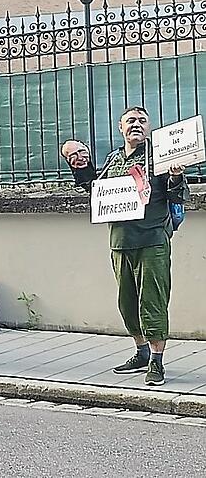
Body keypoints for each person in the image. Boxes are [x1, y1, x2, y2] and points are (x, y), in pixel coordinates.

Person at [63, 106, 189, 386]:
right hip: (120, 241)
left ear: (149, 127)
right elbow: (98, 191)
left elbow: (177, 193)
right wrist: (80, 167)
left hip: (152, 239)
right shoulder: (114, 159)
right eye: (130, 121)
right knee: (127, 301)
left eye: (142, 121)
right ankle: (141, 352)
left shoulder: (161, 157)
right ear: (121, 128)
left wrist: (176, 175)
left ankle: (157, 362)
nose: (136, 125)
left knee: (153, 301)